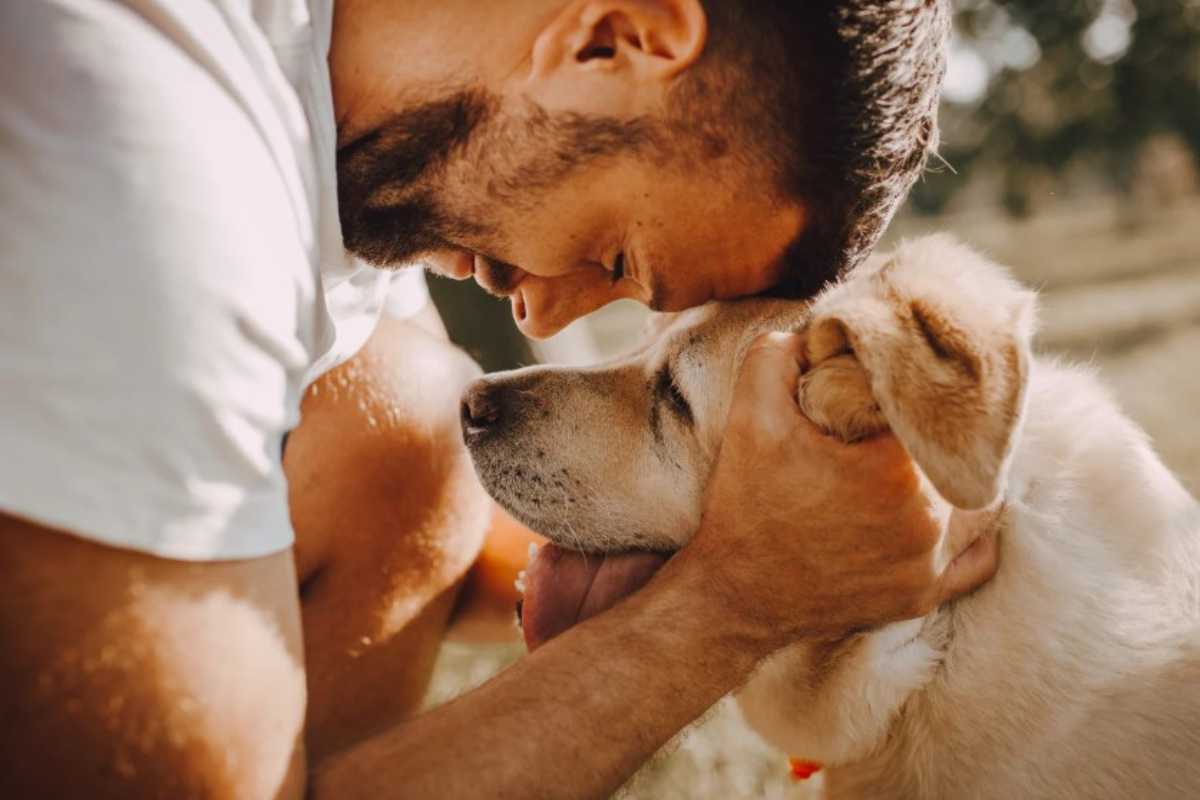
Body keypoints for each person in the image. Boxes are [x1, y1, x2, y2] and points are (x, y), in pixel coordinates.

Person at [0, 1, 998, 797]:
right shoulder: (144, 147)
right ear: (616, 38)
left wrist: (805, 542)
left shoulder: (333, 126)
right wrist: (734, 602)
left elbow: (443, 537)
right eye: (617, 255)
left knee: (403, 422)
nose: (549, 315)